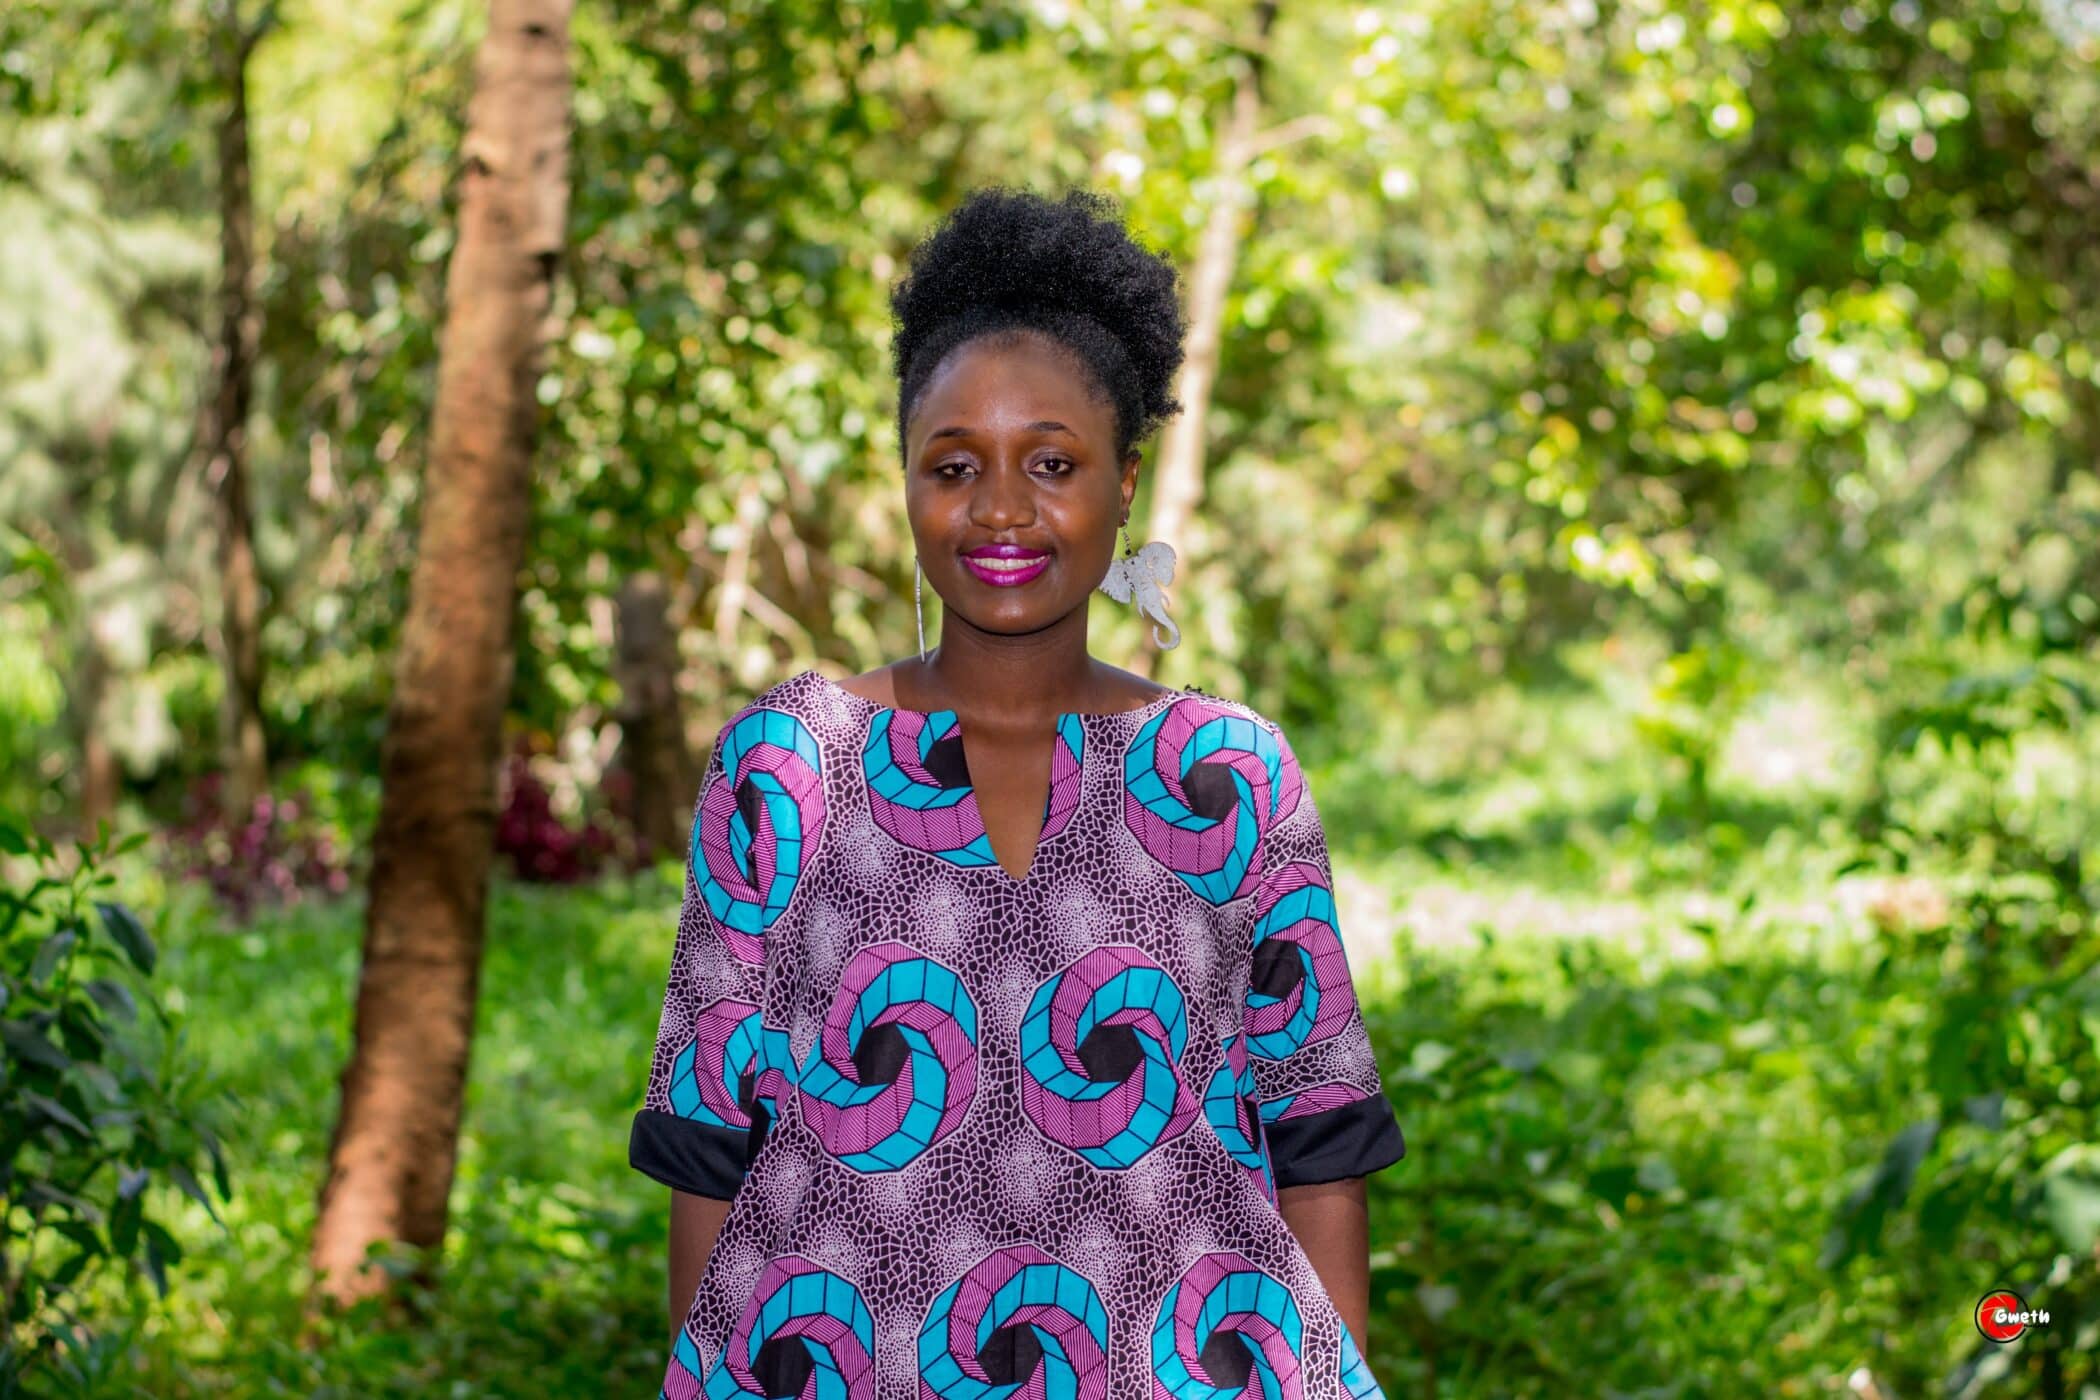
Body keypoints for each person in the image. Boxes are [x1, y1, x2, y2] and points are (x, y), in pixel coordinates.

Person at [629, 187, 1406, 1399]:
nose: (1000, 508)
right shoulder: (787, 764)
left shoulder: (1229, 773)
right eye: (955, 464)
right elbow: (706, 1144)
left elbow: (1322, 1140)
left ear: (1126, 482)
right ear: (905, 478)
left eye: (1052, 462)